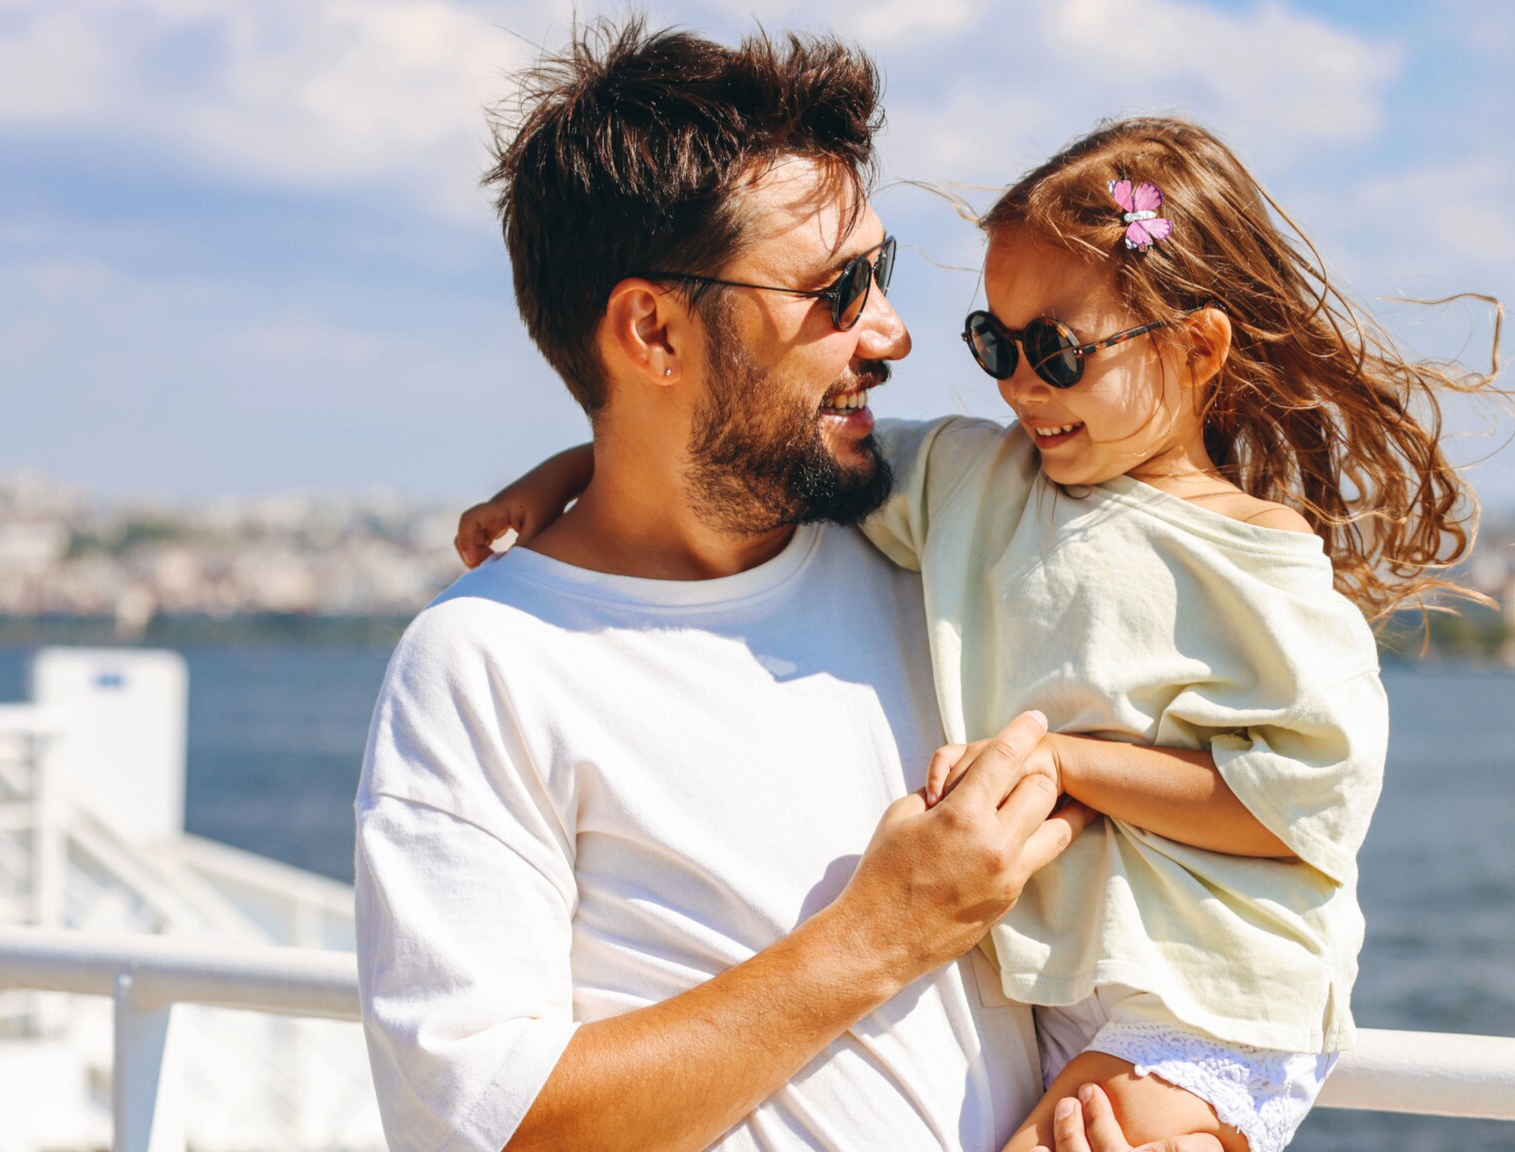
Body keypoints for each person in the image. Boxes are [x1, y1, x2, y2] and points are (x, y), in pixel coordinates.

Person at [460, 118, 1507, 1151]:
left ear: (1195, 349)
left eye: (1054, 352)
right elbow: (752, 451)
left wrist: (1065, 765)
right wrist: (567, 477)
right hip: (1067, 989)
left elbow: (1298, 812)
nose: (1015, 386)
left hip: (1203, 994)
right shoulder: (975, 481)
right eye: (993, 343)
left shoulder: (1256, 561)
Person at [359, 23, 1244, 1152]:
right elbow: (483, 1128)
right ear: (651, 330)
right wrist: (877, 933)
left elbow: (1205, 870)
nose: (892, 328)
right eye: (836, 288)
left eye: (877, 270)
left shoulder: (946, 553)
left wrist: (1194, 1119)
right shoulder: (487, 661)